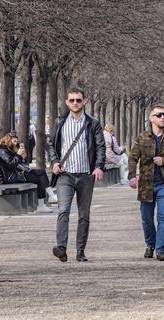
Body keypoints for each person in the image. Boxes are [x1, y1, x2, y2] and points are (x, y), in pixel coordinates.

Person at [47, 87, 105, 263]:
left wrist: (99, 166)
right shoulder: (59, 122)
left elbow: (100, 146)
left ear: (84, 101)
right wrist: (54, 162)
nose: (75, 103)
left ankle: (80, 250)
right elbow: (51, 145)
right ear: (66, 102)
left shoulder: (93, 123)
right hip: (65, 174)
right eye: (71, 100)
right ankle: (62, 247)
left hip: (86, 175)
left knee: (84, 214)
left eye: (78, 100)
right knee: (63, 210)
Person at [128, 105, 164, 261]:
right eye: (159, 115)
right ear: (151, 118)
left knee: (163, 217)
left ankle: (160, 250)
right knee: (146, 219)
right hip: (146, 184)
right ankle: (150, 245)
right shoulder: (142, 137)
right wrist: (132, 176)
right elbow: (133, 158)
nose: (162, 118)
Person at [0, 132, 56, 212]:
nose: (15, 143)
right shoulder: (2, 151)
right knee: (38, 179)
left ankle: (51, 196)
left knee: (41, 172)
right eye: (14, 141)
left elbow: (16, 164)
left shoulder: (9, 149)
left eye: (16, 141)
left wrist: (22, 158)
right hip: (11, 177)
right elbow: (10, 166)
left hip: (17, 173)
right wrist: (18, 155)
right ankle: (41, 205)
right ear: (8, 141)